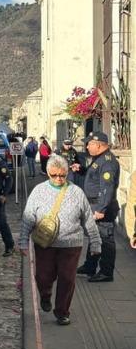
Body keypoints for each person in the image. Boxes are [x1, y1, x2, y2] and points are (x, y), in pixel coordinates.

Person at [20, 155, 101, 326]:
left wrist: (95, 242)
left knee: (67, 278)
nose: (58, 178)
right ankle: (45, 295)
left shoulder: (76, 192)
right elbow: (28, 217)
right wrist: (23, 241)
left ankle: (62, 312)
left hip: (71, 244)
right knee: (42, 276)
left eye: (62, 175)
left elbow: (88, 219)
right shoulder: (38, 191)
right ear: (48, 173)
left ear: (67, 173)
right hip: (44, 244)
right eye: (54, 175)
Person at [76, 132, 121, 283]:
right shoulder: (99, 159)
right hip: (94, 204)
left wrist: (101, 210)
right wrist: (81, 170)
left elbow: (107, 188)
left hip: (102, 207)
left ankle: (106, 272)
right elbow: (93, 177)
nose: (87, 146)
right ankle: (90, 266)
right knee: (95, 236)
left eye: (89, 143)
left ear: (99, 144)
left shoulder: (108, 162)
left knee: (105, 239)